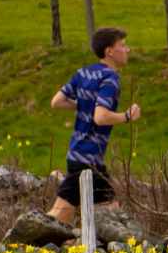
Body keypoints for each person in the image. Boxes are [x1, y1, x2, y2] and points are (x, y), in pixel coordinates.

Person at [48, 26, 141, 223]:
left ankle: (97, 243)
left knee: (110, 206)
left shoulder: (83, 73)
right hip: (86, 158)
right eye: (122, 46)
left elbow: (57, 101)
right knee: (59, 214)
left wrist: (83, 106)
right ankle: (27, 241)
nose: (128, 50)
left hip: (81, 155)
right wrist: (126, 116)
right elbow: (101, 117)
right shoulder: (110, 78)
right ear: (109, 51)